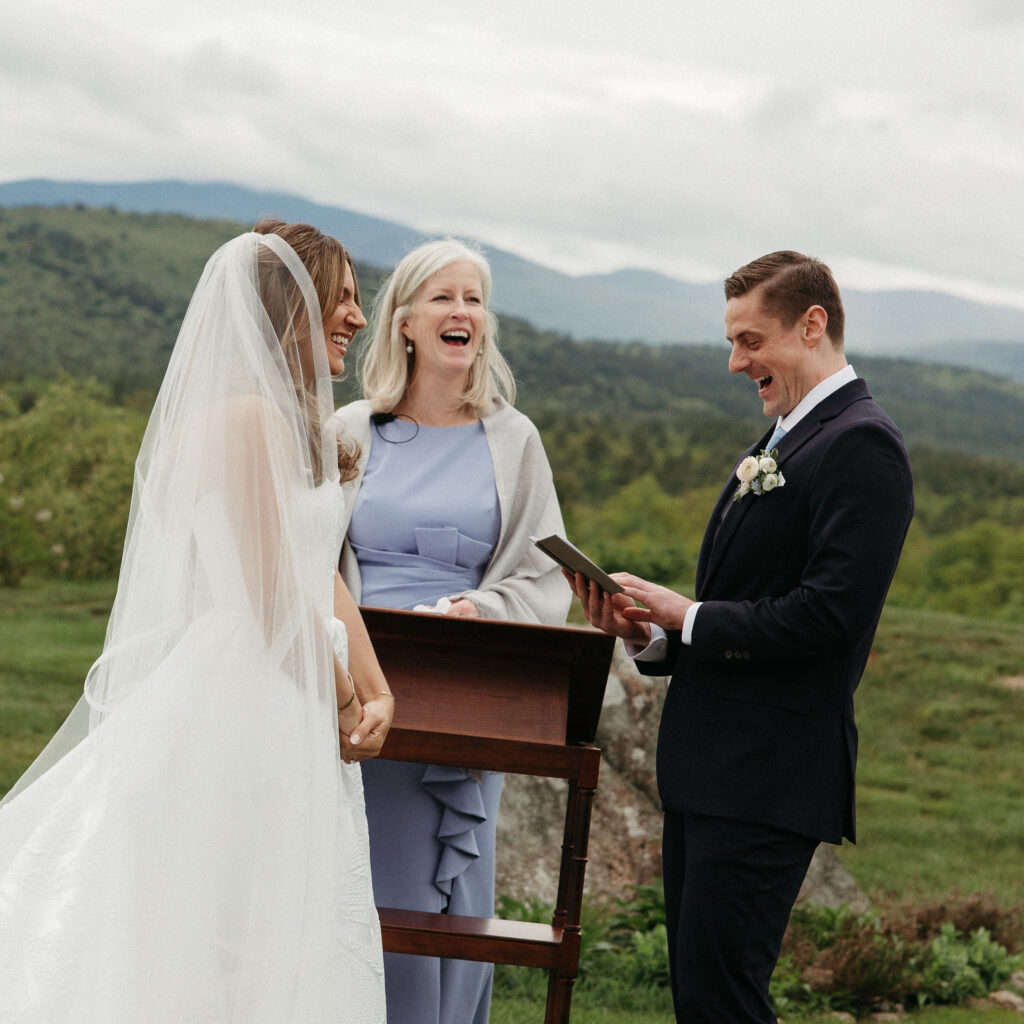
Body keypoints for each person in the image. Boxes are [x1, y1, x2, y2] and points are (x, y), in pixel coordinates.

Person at [0, 221, 394, 1023]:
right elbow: (274, 597)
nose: (358, 315)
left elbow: (320, 570)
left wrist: (381, 688)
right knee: (226, 915)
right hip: (247, 693)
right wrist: (347, 704)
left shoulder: (299, 421)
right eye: (342, 297)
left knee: (290, 910)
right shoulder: (244, 417)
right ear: (291, 303)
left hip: (298, 690)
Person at [567, 251, 914, 1023]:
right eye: (732, 342)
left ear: (812, 324)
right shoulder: (787, 438)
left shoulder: (861, 444)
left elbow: (830, 617)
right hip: (715, 770)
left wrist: (685, 613)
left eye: (751, 340)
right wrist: (646, 636)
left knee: (725, 999)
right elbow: (746, 607)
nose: (735, 362)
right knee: (703, 997)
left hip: (770, 776)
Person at [335, 238, 570, 1024]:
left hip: (470, 686)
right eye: (443, 297)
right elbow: (309, 558)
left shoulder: (515, 441)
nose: (462, 311)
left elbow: (542, 574)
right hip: (360, 693)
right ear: (404, 322)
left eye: (474, 298)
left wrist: (485, 609)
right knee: (371, 881)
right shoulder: (350, 432)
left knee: (455, 889)